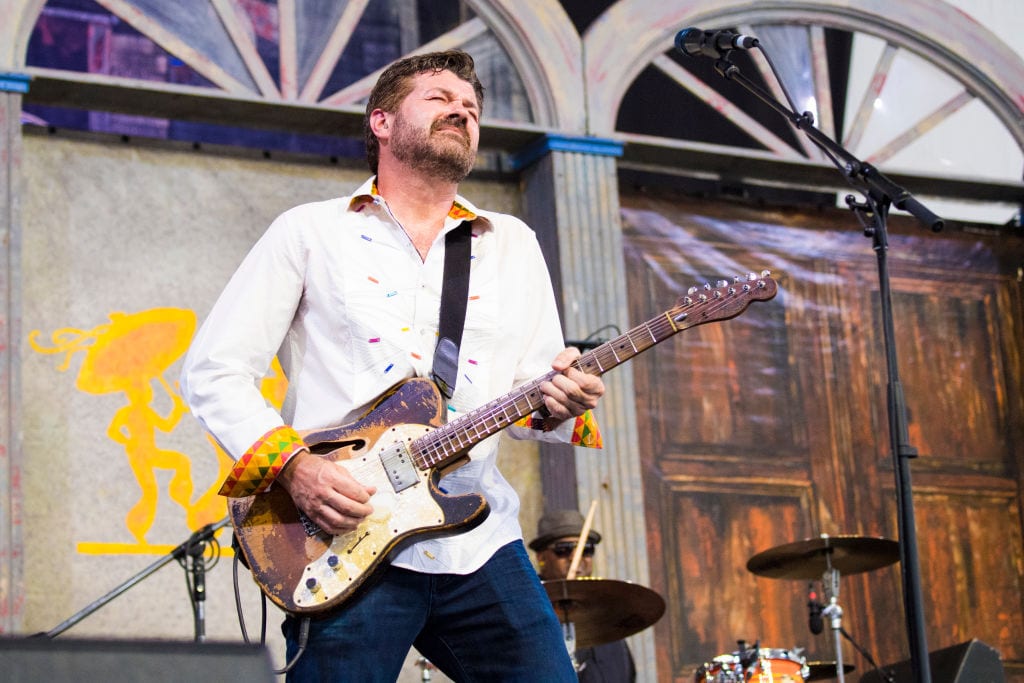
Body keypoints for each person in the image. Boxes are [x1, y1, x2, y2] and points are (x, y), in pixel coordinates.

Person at [179, 49, 605, 681]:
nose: (461, 109)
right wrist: (295, 469)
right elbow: (214, 368)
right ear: (381, 121)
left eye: (471, 107)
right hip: (344, 537)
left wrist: (557, 399)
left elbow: (527, 394)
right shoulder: (311, 232)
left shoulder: (511, 242)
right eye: (439, 98)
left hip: (477, 537)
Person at [530, 510, 637, 683]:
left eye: (585, 549)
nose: (576, 558)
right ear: (541, 557)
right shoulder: (527, 609)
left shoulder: (607, 616)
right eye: (563, 550)